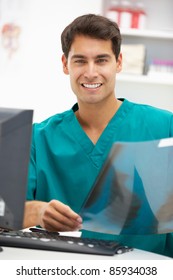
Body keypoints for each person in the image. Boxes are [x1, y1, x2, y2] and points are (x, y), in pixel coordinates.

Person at [23, 14, 173, 257]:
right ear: (65, 64)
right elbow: (7, 212)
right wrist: (38, 212)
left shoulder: (165, 127)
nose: (91, 73)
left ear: (118, 62)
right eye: (80, 61)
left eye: (101, 60)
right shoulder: (38, 139)